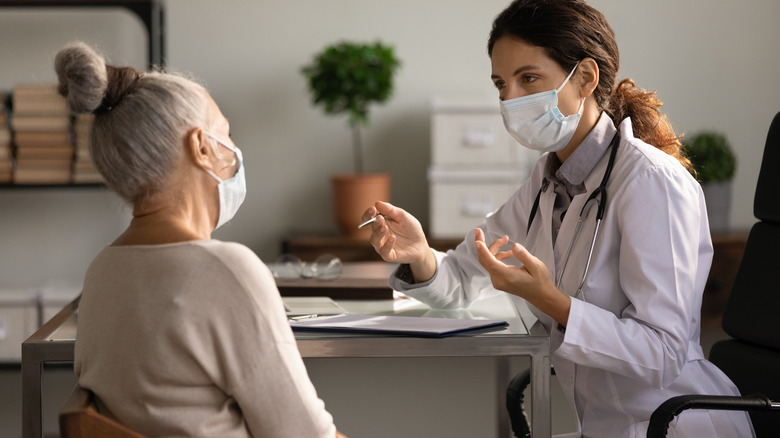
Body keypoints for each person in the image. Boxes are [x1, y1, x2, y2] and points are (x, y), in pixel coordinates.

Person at [362, 0, 754, 436]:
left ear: (584, 78)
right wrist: (420, 254)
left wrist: (552, 301)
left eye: (528, 78)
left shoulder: (650, 182)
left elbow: (661, 354)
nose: (510, 98)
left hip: (673, 424)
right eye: (500, 84)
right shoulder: (548, 182)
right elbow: (458, 279)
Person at [56, 41, 346, 438]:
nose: (234, 150)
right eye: (225, 133)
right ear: (202, 147)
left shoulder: (102, 271)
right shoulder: (225, 269)